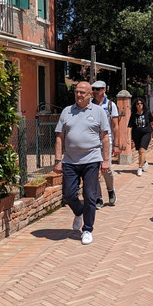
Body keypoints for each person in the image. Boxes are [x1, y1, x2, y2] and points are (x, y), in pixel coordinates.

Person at [54, 81, 110, 245]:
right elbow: (59, 136)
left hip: (91, 160)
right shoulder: (66, 111)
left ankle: (87, 229)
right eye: (77, 92)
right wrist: (58, 160)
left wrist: (105, 160)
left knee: (90, 195)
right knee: (69, 195)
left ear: (90, 95)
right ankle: (79, 212)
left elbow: (105, 137)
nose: (79, 95)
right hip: (70, 161)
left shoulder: (99, 112)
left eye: (82, 93)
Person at [91, 80, 119, 208]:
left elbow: (115, 126)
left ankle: (110, 190)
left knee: (106, 169)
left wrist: (117, 145)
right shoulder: (89, 105)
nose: (95, 91)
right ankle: (98, 197)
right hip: (92, 142)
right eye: (94, 89)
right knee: (94, 171)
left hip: (107, 141)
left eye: (98, 89)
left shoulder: (110, 105)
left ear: (104, 90)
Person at [128, 98, 153, 176]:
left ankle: (139, 167)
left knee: (142, 150)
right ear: (135, 106)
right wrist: (128, 137)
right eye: (137, 104)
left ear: (143, 104)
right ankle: (144, 162)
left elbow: (152, 123)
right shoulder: (133, 115)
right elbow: (130, 126)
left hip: (146, 133)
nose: (139, 105)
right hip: (136, 134)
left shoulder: (147, 113)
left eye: (141, 103)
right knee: (139, 151)